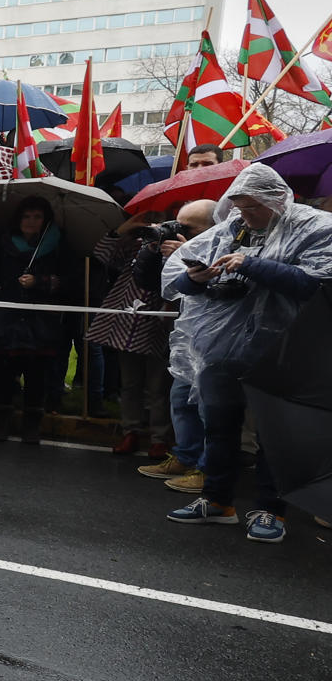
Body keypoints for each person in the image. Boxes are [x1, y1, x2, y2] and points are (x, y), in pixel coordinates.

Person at [161, 165, 332, 542]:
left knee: (275, 433)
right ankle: (217, 500)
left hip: (283, 350)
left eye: (253, 207)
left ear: (276, 201)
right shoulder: (231, 229)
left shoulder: (314, 227)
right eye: (238, 206)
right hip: (220, 349)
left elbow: (317, 285)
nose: (245, 215)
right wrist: (196, 278)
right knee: (219, 426)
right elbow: (175, 282)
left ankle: (271, 510)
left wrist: (251, 264)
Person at [0, 196, 68, 443]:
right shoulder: (2, 242)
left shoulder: (59, 244)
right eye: (26, 216)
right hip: (6, 319)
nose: (31, 222)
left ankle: (32, 423)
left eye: (37, 217)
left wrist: (41, 282)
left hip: (42, 321)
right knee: (2, 373)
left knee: (37, 375)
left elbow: (70, 280)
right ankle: (0, 419)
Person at [137, 200, 216, 484]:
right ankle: (185, 458)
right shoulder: (177, 248)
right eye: (177, 223)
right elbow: (150, 282)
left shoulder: (223, 245)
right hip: (185, 335)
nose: (178, 230)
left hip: (215, 337)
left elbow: (216, 285)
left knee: (210, 407)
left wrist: (186, 253)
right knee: (180, 398)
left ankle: (208, 471)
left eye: (188, 227)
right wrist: (154, 251)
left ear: (211, 227)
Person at [87, 211, 174, 458]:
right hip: (129, 318)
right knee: (130, 383)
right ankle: (130, 432)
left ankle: (159, 438)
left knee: (159, 386)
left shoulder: (180, 243)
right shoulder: (137, 243)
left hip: (162, 319)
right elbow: (102, 253)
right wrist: (126, 228)